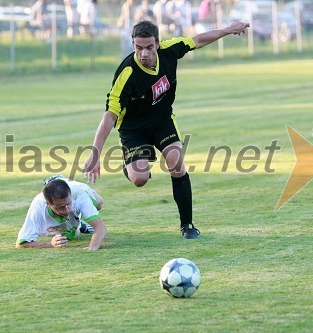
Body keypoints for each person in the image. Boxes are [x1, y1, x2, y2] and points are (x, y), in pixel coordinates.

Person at [83, 19, 249, 239]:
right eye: (138, 48)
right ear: (133, 45)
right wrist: (95, 154)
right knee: (139, 179)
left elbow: (198, 40)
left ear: (158, 44)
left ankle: (187, 225)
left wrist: (228, 30)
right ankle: (130, 166)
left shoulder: (170, 50)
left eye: (149, 47)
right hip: (134, 129)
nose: (143, 53)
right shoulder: (126, 74)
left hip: (162, 120)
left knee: (175, 162)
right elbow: (109, 117)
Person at [16, 175, 107, 250]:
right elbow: (21, 243)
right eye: (61, 207)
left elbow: (100, 226)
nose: (67, 210)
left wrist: (93, 246)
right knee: (71, 235)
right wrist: (50, 244)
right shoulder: (38, 205)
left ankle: (58, 179)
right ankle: (79, 225)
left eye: (68, 204)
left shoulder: (78, 195)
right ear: (48, 204)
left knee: (98, 202)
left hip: (74, 187)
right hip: (61, 204)